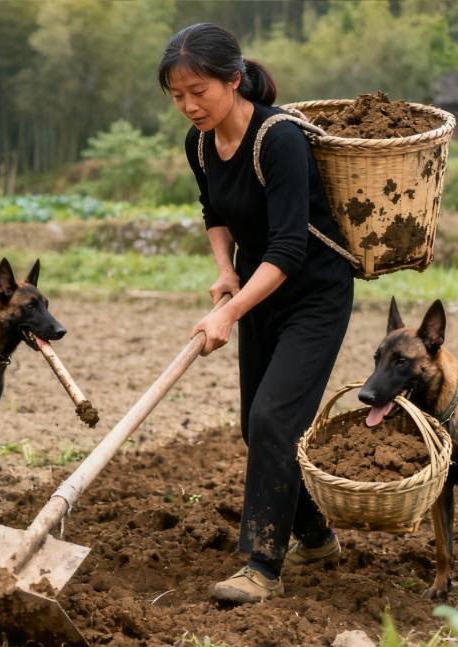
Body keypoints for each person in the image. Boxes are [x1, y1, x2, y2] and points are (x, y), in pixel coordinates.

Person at [159, 22, 354, 603]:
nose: (190, 105)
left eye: (200, 91)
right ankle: (316, 536)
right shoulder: (199, 144)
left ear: (234, 80)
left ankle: (262, 564)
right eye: (177, 96)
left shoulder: (279, 140)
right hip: (258, 291)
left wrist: (228, 313)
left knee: (274, 419)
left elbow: (291, 248)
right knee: (256, 424)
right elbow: (213, 212)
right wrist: (226, 271)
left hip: (313, 293)